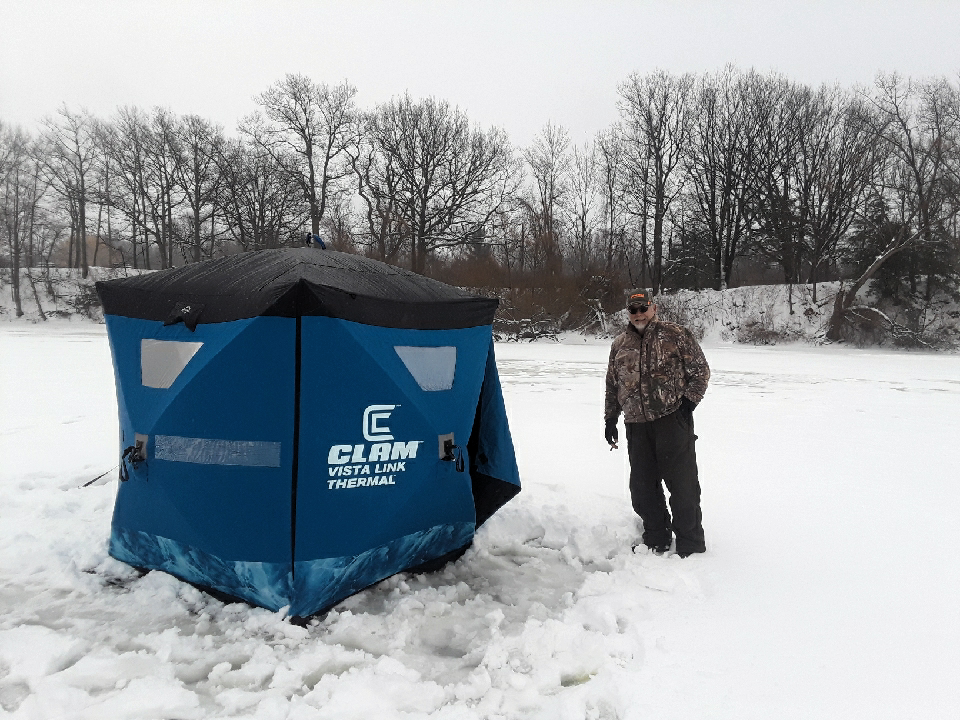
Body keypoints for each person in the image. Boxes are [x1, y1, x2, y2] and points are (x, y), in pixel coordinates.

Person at [604, 289, 710, 557]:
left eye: (643, 308)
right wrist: (610, 418)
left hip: (671, 421)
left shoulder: (675, 334)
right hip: (636, 425)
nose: (639, 314)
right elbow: (612, 385)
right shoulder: (619, 344)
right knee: (642, 487)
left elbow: (700, 371)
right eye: (633, 310)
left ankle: (690, 543)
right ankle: (656, 538)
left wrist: (687, 405)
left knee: (683, 486)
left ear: (654, 308)